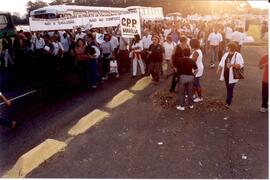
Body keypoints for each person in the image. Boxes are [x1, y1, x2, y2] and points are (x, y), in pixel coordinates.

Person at [216, 42, 244, 108]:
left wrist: (232, 65)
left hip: (233, 75)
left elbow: (240, 65)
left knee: (230, 88)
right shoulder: (226, 54)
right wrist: (218, 70)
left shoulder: (238, 55)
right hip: (226, 74)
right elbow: (221, 62)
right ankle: (230, 96)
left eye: (227, 47)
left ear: (230, 48)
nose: (226, 48)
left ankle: (228, 102)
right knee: (228, 87)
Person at [190, 38, 204, 102]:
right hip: (198, 67)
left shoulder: (196, 52)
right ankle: (193, 95)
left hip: (196, 69)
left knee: (196, 83)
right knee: (194, 83)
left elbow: (193, 62)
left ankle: (200, 97)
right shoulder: (198, 50)